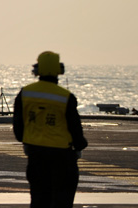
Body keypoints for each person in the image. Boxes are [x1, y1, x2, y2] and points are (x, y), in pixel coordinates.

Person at [13, 51, 87, 207]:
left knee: (39, 198)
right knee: (62, 199)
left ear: (37, 69)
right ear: (59, 70)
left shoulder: (25, 93)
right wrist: (80, 145)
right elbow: (75, 127)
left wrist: (28, 140)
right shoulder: (65, 96)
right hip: (62, 156)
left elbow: (18, 128)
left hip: (35, 154)